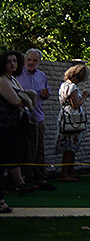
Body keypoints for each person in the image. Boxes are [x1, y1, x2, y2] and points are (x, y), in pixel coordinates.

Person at [1, 50, 35, 209]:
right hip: (3, 126)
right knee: (4, 159)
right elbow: (15, 100)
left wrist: (25, 98)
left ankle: (19, 183)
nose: (12, 64)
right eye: (8, 61)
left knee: (12, 155)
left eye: (14, 61)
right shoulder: (2, 80)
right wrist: (26, 98)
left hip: (14, 125)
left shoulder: (12, 79)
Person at [15, 48, 53, 190]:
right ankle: (22, 179)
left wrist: (45, 94)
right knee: (23, 148)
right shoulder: (17, 74)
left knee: (39, 148)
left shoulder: (41, 75)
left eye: (35, 60)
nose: (31, 63)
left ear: (39, 62)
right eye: (29, 60)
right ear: (25, 60)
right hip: (21, 117)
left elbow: (46, 94)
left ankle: (40, 178)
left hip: (38, 116)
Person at [55, 63, 89, 182]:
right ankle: (65, 173)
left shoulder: (63, 85)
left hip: (64, 117)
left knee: (70, 146)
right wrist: (84, 96)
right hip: (72, 119)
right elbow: (76, 104)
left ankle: (71, 171)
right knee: (70, 147)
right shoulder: (72, 87)